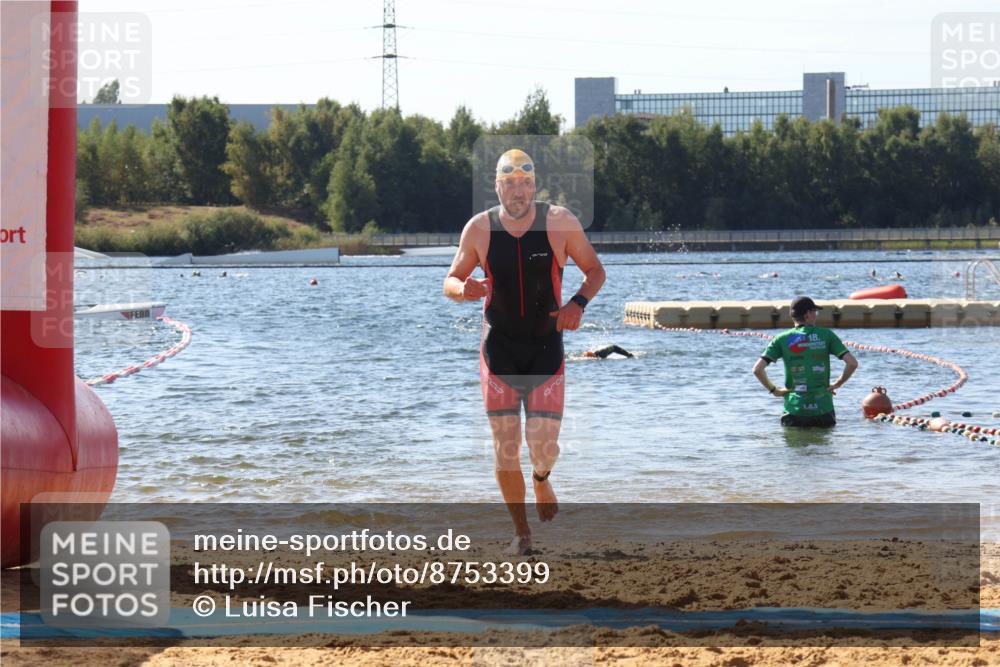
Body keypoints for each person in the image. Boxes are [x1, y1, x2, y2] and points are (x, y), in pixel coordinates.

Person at [444, 149, 606, 555]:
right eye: (510, 183)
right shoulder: (479, 229)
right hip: (498, 349)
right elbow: (450, 279)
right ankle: (522, 534)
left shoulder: (560, 223)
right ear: (497, 186)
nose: (519, 192)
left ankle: (541, 478)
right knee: (505, 446)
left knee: (544, 446)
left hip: (546, 347)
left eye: (526, 183)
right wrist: (463, 290)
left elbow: (595, 271)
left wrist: (577, 305)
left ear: (535, 186)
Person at [751, 296, 859, 427]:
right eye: (815, 312)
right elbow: (852, 363)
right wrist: (837, 384)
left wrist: (775, 391)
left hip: (794, 410)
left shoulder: (781, 339)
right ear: (808, 314)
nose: (816, 315)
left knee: (794, 446)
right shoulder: (826, 335)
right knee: (823, 446)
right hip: (823, 409)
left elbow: (757, 369)